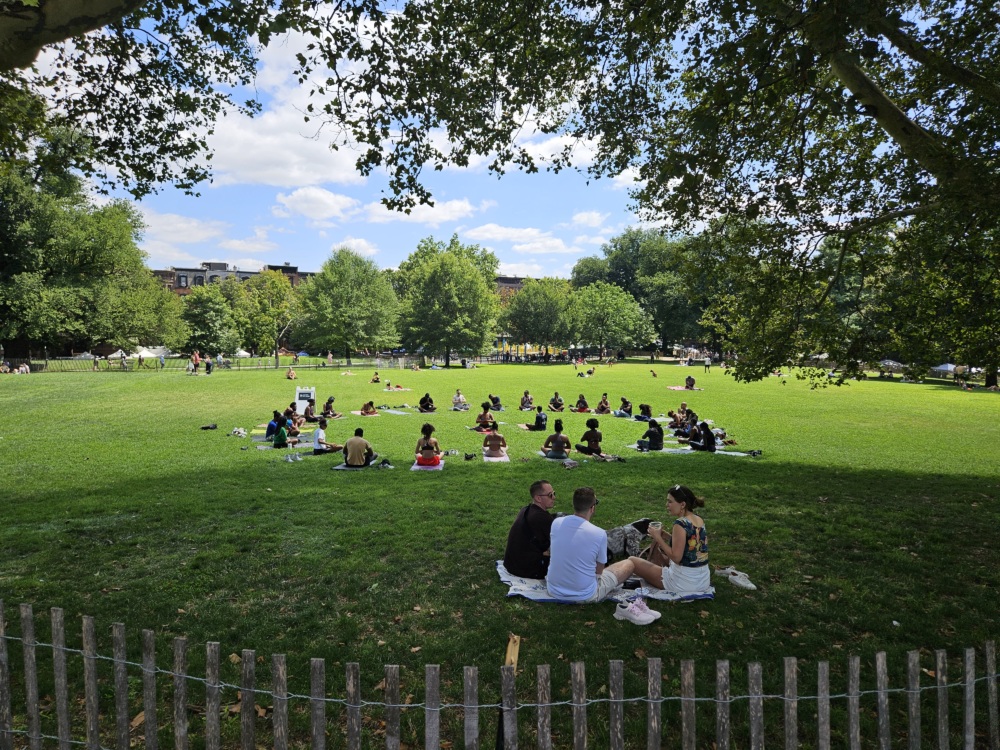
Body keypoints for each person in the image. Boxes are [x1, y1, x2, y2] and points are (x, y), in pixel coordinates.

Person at [546, 487, 639, 605]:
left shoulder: (556, 523)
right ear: (592, 508)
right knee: (630, 564)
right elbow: (599, 572)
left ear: (574, 504)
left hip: (554, 590)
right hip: (585, 595)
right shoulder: (599, 534)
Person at [628, 485, 710, 594]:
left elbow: (676, 557)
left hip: (683, 584)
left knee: (632, 561)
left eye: (670, 502)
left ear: (682, 504)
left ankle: (605, 582)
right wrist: (664, 535)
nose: (667, 505)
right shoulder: (699, 520)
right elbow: (691, 544)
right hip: (702, 581)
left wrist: (658, 538)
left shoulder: (680, 524)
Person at [502, 480, 558, 579]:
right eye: (550, 495)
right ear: (538, 498)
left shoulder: (526, 509)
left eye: (554, 493)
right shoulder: (543, 518)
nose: (554, 497)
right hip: (525, 569)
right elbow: (559, 545)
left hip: (511, 563)